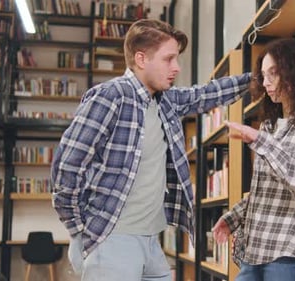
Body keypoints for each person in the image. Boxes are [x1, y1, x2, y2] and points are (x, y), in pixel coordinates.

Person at [51, 19, 251, 281]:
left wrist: (256, 79)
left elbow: (205, 94)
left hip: (150, 239)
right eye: (169, 59)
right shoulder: (111, 96)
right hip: (112, 239)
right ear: (141, 59)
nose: (177, 68)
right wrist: (79, 228)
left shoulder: (164, 101)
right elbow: (67, 165)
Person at [212, 38, 295, 281]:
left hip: (292, 253)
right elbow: (264, 193)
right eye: (263, 75)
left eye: (274, 73)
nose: (266, 82)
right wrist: (232, 218)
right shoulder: (269, 127)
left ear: (294, 73)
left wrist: (259, 141)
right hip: (257, 248)